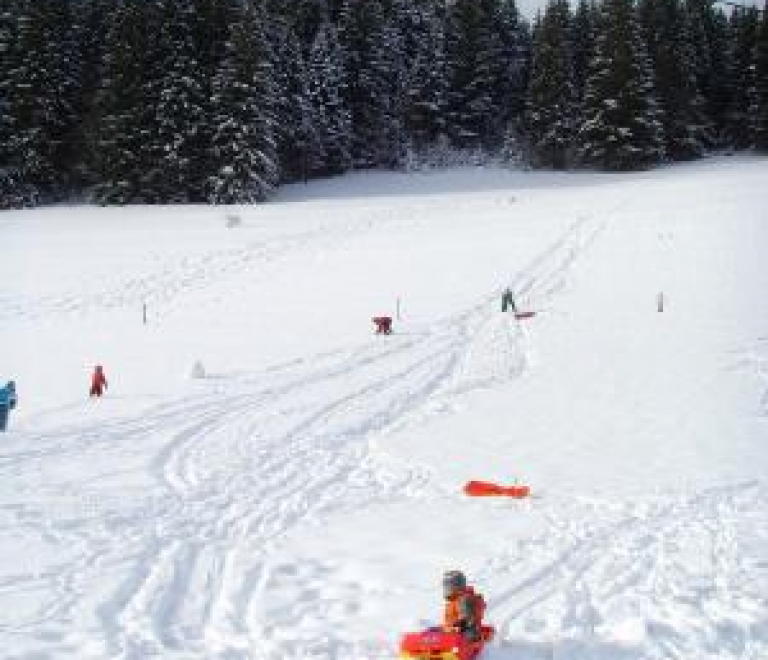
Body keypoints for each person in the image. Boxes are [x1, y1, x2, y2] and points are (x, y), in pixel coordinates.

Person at [442, 570, 484, 642]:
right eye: (446, 586)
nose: (448, 588)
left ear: (457, 586)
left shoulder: (465, 599)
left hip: (466, 633)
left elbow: (468, 619)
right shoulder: (452, 601)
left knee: (464, 634)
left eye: (449, 586)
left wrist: (461, 624)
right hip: (451, 633)